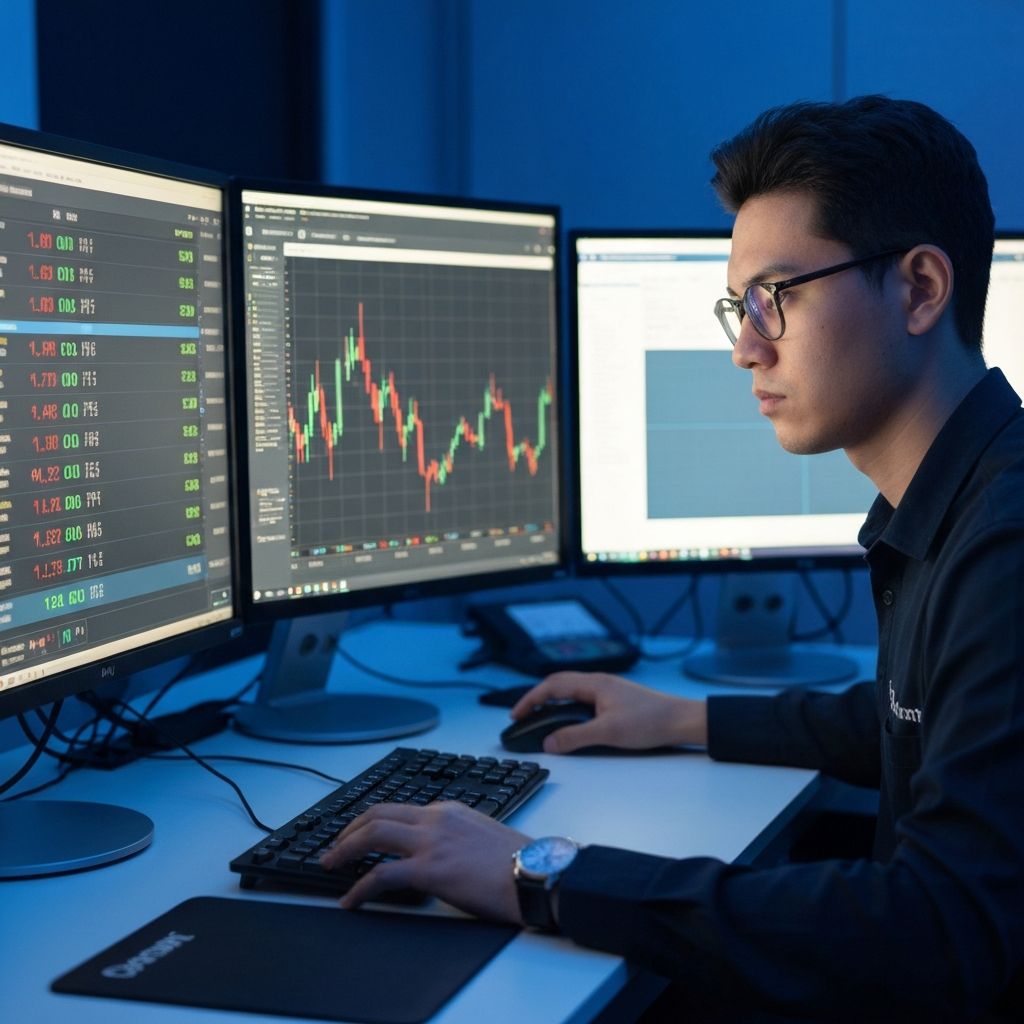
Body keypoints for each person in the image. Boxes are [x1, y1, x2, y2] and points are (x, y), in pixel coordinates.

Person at [321, 96, 1024, 1022]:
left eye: (778, 296)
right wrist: (685, 717)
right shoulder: (968, 493)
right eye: (740, 305)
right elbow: (918, 726)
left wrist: (542, 873)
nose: (744, 347)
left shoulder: (1006, 542)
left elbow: (941, 928)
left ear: (921, 289)